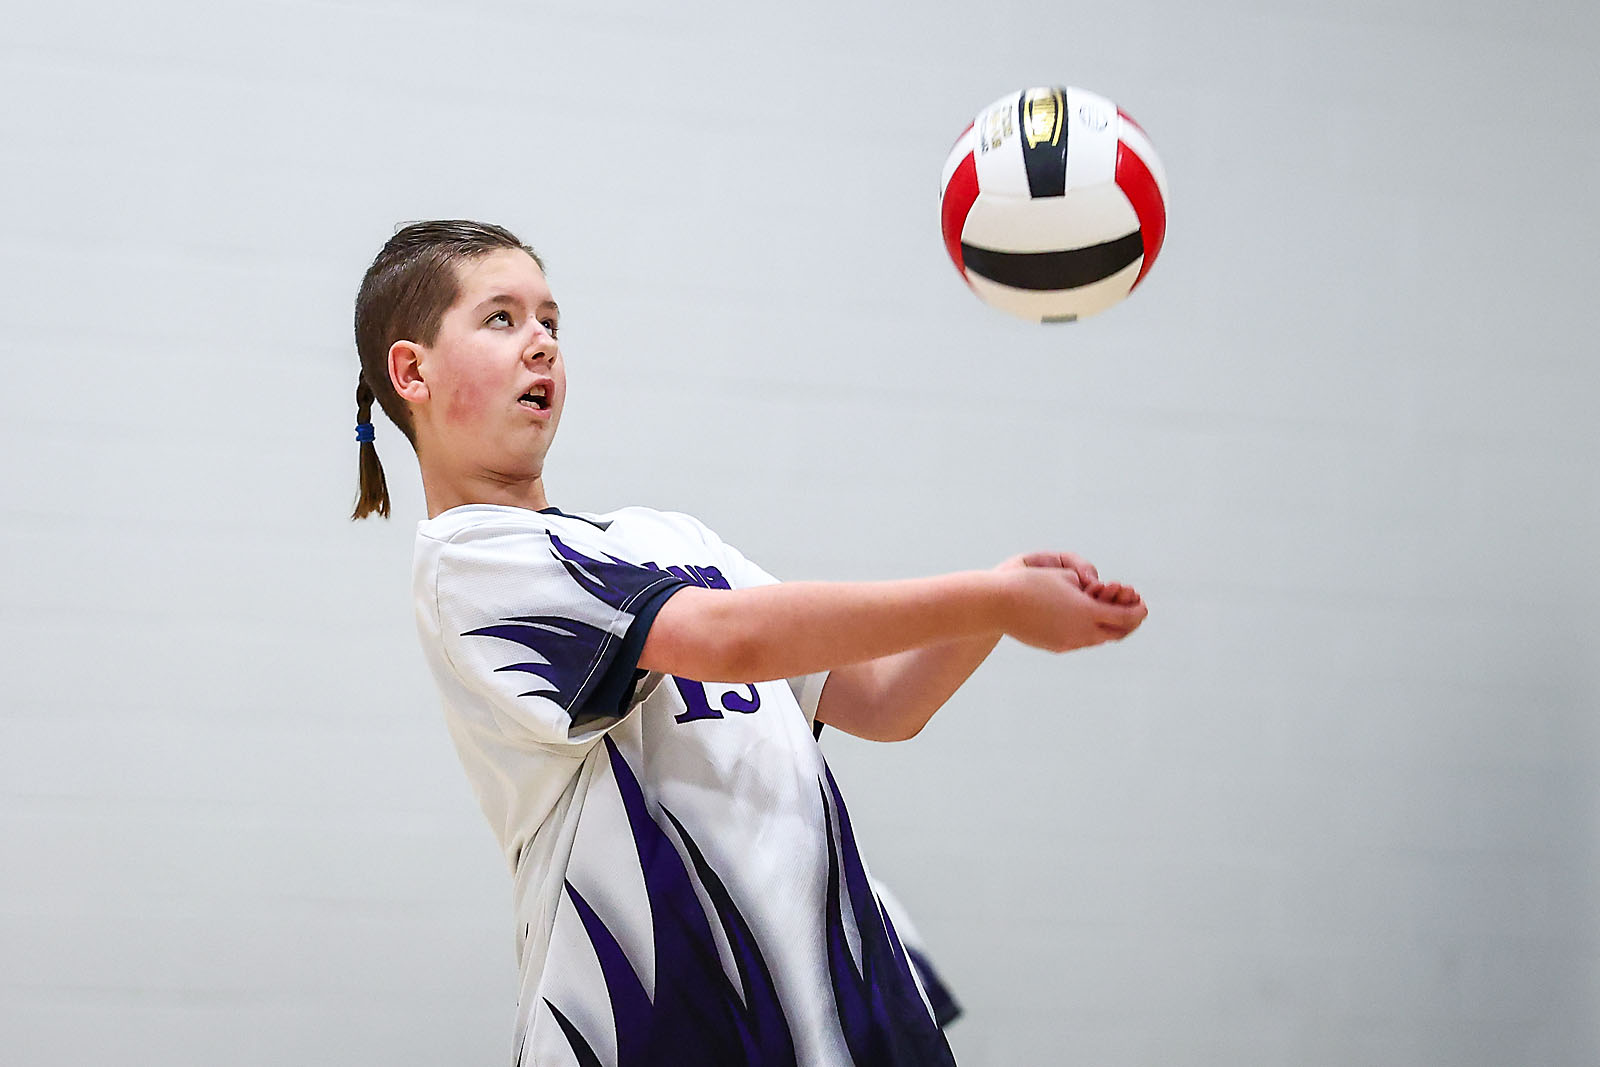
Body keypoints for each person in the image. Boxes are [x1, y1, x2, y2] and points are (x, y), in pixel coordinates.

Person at [350, 220, 1147, 1066]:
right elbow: (726, 643)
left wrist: (997, 604)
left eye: (551, 319)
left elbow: (884, 702)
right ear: (412, 372)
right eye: (501, 318)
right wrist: (992, 597)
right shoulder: (469, 561)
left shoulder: (670, 537)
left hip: (833, 1024)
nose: (541, 342)